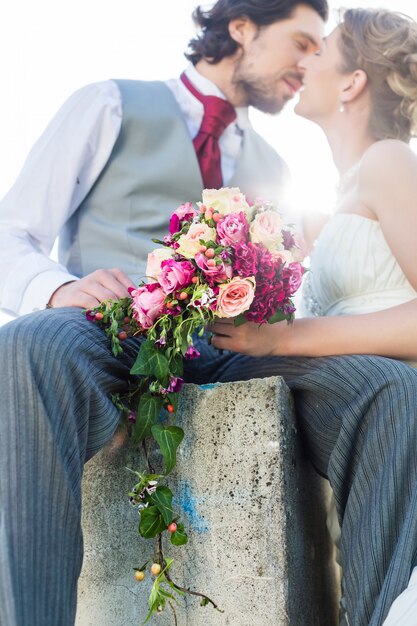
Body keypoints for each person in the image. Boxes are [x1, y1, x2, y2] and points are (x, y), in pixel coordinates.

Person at [0, 1, 327, 625]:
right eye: (303, 43)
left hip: (235, 349)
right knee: (31, 344)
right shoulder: (109, 103)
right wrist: (54, 288)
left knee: (383, 386)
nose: (310, 65)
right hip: (110, 327)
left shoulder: (278, 170)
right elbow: (10, 231)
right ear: (242, 27)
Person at [212, 7, 417, 626]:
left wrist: (281, 336)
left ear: (352, 83)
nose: (302, 63)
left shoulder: (389, 162)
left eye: (319, 51)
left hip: (397, 413)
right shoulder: (343, 194)